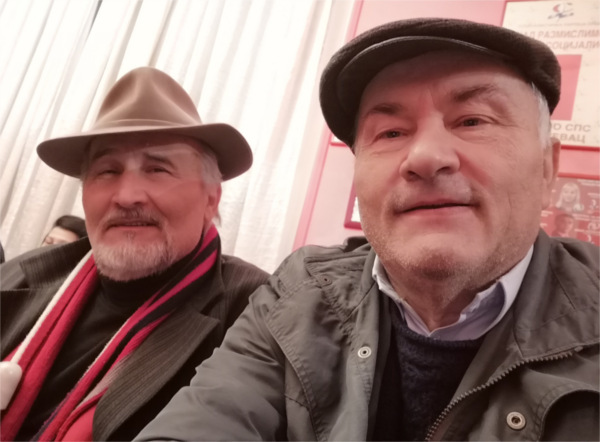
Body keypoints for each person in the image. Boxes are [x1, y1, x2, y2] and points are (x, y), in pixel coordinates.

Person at [137, 18, 599, 442]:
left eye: (473, 120)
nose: (425, 157)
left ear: (547, 167)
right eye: (391, 133)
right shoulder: (299, 294)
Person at [0, 67, 269, 441]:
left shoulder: (256, 314)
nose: (126, 197)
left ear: (212, 198)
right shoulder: (17, 277)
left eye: (157, 169)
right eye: (107, 171)